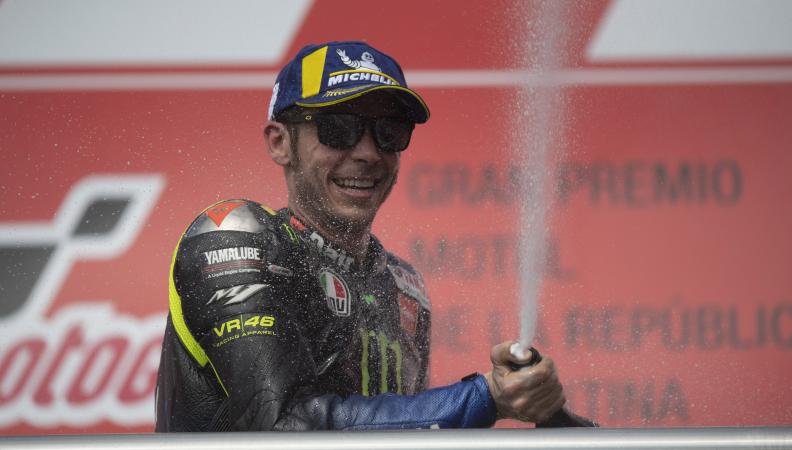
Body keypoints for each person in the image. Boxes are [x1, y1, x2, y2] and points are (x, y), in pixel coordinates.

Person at [155, 40, 584, 431]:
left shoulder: (404, 287)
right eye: (338, 129)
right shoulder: (231, 235)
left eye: (389, 132)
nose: (367, 152)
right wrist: (484, 397)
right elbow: (282, 425)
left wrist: (542, 406)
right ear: (280, 143)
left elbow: (410, 432)